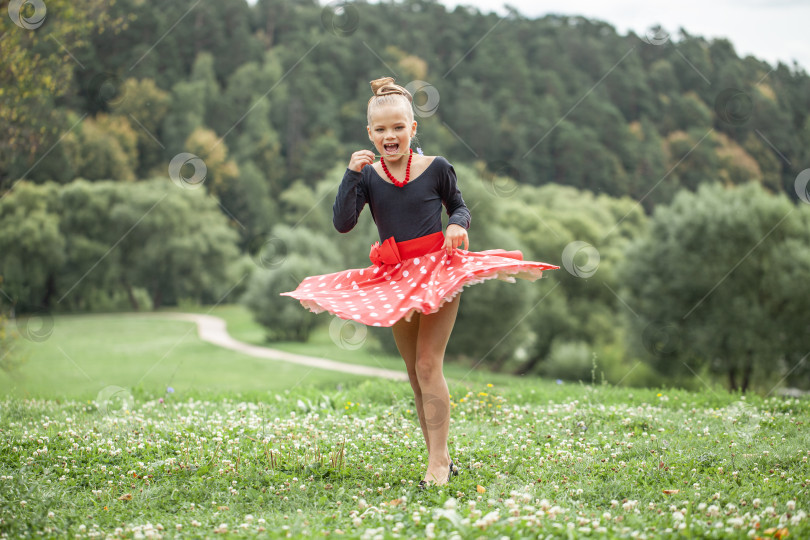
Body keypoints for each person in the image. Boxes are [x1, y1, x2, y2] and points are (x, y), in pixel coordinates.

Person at [281, 77, 558, 487]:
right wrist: (350, 175)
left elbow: (460, 207)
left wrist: (455, 228)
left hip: (437, 270)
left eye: (398, 127)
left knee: (430, 364)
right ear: (370, 134)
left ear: (413, 128)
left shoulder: (437, 168)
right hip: (394, 277)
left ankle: (438, 464)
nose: (389, 136)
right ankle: (437, 457)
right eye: (380, 130)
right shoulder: (369, 176)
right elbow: (342, 223)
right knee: (414, 372)